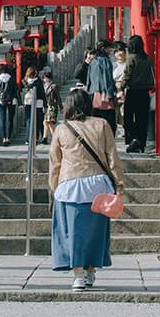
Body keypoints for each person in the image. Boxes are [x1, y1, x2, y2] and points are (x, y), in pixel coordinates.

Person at [49, 88, 125, 291]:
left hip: (70, 185)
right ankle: (91, 270)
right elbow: (112, 157)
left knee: (72, 233)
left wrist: (52, 188)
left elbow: (55, 163)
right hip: (98, 186)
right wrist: (118, 183)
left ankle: (78, 275)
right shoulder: (101, 125)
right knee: (95, 232)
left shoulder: (61, 129)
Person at [118, 34, 157, 153]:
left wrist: (121, 87)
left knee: (129, 117)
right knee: (142, 119)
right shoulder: (147, 58)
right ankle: (142, 142)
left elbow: (127, 75)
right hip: (144, 92)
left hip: (133, 91)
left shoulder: (131, 58)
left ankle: (133, 140)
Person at [86, 41, 117, 134]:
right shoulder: (105, 61)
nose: (110, 50)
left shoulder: (93, 61)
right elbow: (107, 79)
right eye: (109, 48)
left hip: (93, 93)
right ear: (104, 48)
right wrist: (111, 94)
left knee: (96, 120)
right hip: (104, 94)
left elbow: (89, 79)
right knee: (108, 121)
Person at [0, 65, 19, 145]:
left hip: (0, 100)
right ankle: (9, 137)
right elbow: (16, 91)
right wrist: (19, 102)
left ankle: (4, 138)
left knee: (2, 120)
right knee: (10, 120)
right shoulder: (12, 79)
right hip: (12, 100)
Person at [21, 66, 46, 144]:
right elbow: (42, 93)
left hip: (28, 102)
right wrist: (45, 103)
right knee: (37, 121)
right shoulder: (38, 81)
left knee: (29, 120)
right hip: (38, 103)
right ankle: (35, 137)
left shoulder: (25, 81)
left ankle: (28, 138)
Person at [110, 41, 128, 144]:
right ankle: (116, 130)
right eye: (116, 51)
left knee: (125, 111)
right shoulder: (113, 65)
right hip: (116, 89)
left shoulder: (128, 64)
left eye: (120, 50)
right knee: (116, 112)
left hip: (126, 89)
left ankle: (127, 130)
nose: (119, 53)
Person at [41, 69, 61, 144]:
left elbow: (58, 97)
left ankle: (51, 138)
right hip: (46, 106)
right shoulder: (44, 86)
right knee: (46, 122)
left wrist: (61, 107)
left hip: (52, 105)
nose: (44, 79)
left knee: (49, 122)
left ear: (48, 78)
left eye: (45, 78)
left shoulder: (54, 86)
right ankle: (46, 138)